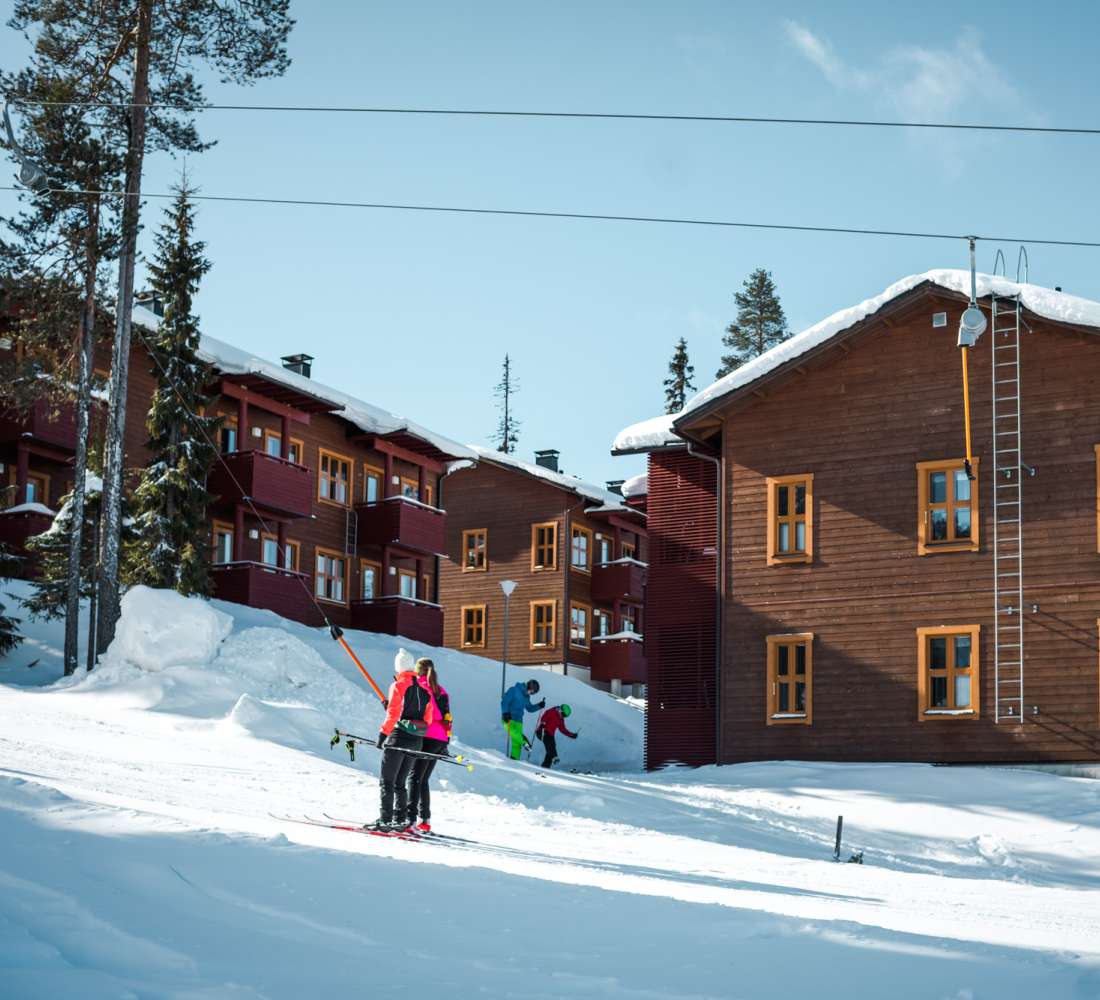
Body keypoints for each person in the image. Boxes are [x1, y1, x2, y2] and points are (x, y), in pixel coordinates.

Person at [367, 653, 435, 832]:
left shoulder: (398, 685)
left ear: (398, 667)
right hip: (416, 741)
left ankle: (385, 820)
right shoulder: (425, 689)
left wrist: (382, 735)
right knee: (400, 783)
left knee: (387, 781)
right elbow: (428, 719)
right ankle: (400, 819)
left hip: (398, 738)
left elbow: (394, 714)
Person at [404, 658, 451, 833]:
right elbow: (447, 717)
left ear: (417, 670)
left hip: (425, 735)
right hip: (440, 738)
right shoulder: (441, 689)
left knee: (414, 777)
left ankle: (410, 819)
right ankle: (424, 819)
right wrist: (445, 741)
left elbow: (418, 712)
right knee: (422, 779)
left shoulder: (419, 686)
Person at [500, 678, 545, 760]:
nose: (531, 693)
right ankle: (524, 741)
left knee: (516, 743)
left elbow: (530, 708)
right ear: (529, 686)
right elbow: (505, 701)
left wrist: (539, 705)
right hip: (508, 717)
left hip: (519, 721)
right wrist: (505, 712)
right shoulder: (514, 690)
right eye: (532, 691)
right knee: (513, 733)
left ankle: (514, 760)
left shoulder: (527, 697)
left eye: (533, 693)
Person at [535, 703, 578, 768]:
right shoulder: (553, 711)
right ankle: (554, 757)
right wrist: (543, 723)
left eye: (565, 716)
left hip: (550, 734)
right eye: (563, 715)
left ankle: (546, 765)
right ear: (561, 710)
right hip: (542, 731)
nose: (563, 716)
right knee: (549, 744)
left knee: (553, 745)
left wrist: (571, 735)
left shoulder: (561, 719)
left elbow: (562, 729)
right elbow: (545, 716)